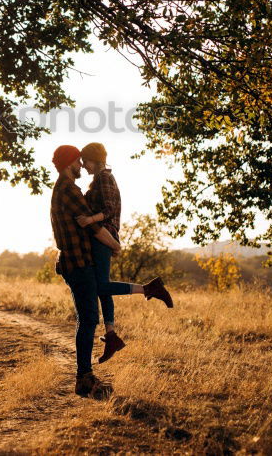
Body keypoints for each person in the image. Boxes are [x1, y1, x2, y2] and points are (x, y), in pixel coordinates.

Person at [79, 142, 173, 364]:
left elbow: (110, 208)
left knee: (101, 286)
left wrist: (90, 220)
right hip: (101, 236)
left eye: (86, 161)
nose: (83, 166)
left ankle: (150, 288)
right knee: (103, 285)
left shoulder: (104, 178)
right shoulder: (100, 179)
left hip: (104, 235)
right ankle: (111, 335)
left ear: (95, 159)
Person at [49, 144, 117, 398]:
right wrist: (115, 245)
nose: (81, 166)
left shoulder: (64, 189)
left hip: (75, 263)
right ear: (69, 164)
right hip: (78, 263)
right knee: (88, 320)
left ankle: (85, 377)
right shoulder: (69, 190)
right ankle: (84, 380)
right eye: (77, 162)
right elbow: (94, 228)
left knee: (86, 319)